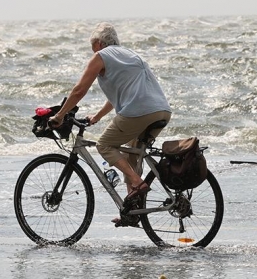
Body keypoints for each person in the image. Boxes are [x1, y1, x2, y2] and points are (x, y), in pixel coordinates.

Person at [49, 23, 172, 221]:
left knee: (104, 145)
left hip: (139, 113)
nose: (92, 49)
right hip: (162, 111)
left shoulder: (101, 57)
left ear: (98, 43)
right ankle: (132, 212)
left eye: (92, 45)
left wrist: (60, 115)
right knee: (130, 156)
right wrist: (96, 117)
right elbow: (117, 95)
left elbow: (79, 90)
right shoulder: (129, 54)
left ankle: (138, 183)